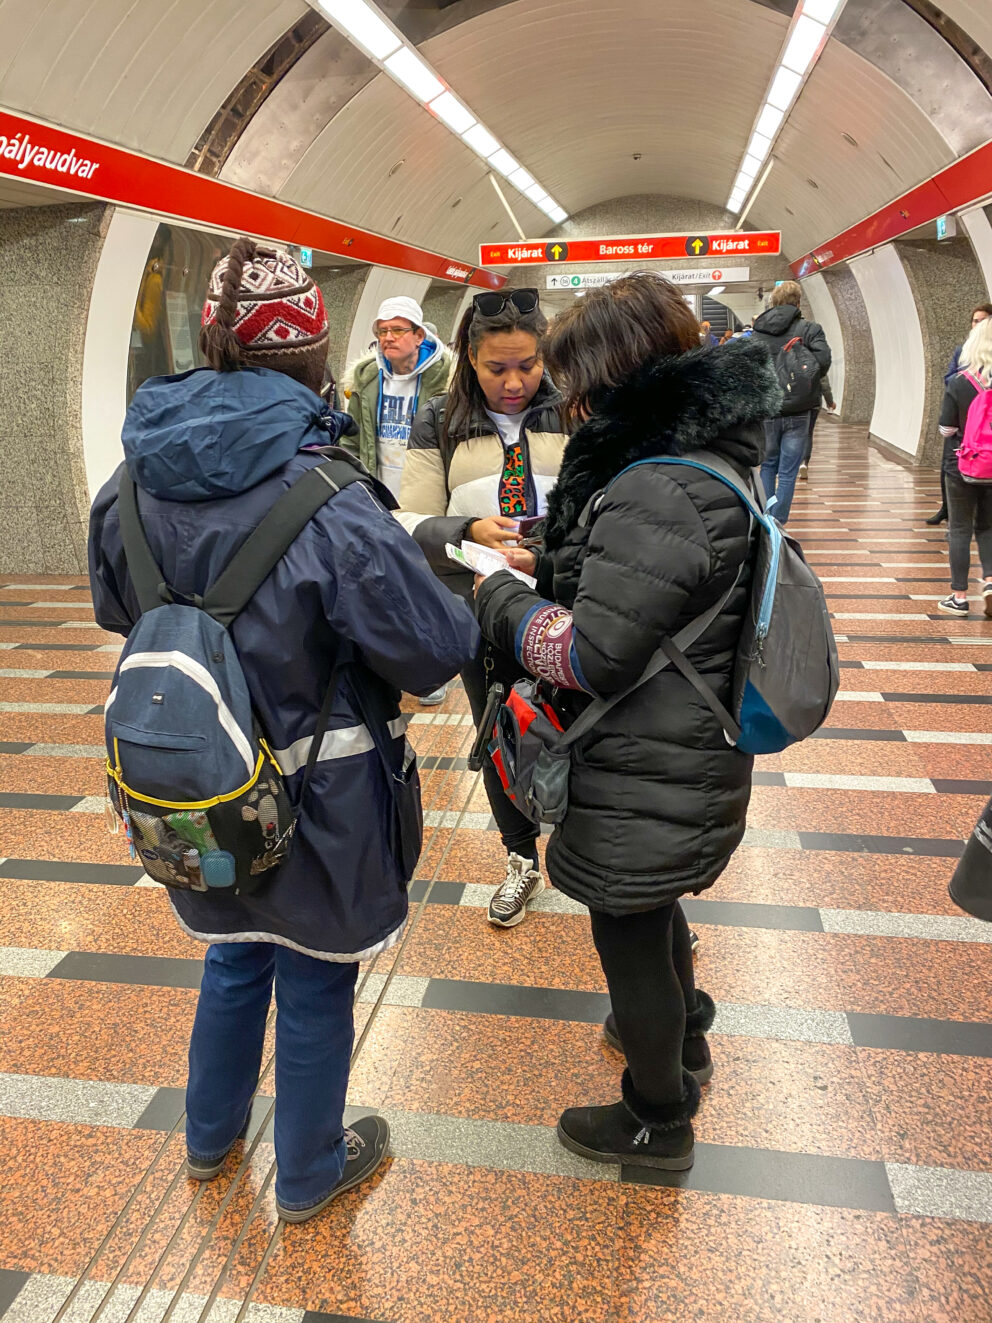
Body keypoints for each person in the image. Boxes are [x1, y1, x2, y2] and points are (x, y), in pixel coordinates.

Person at [88, 239, 479, 1222]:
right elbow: (430, 652)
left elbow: (113, 606)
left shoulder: (128, 482)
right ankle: (307, 1171)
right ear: (314, 357)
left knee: (232, 956)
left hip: (193, 784)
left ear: (210, 342)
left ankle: (208, 1140)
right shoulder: (332, 499)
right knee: (313, 979)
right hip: (324, 791)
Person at [474, 273, 781, 1168]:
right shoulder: (706, 455)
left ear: (612, 376)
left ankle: (657, 1115)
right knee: (652, 903)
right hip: (686, 739)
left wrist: (500, 598)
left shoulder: (656, 490)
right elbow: (647, 595)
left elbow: (588, 655)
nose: (565, 400)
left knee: (626, 917)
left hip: (647, 749)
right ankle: (682, 1033)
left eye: (574, 381)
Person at [397, 287, 568, 926]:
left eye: (528, 364)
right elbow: (405, 520)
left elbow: (604, 506)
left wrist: (548, 547)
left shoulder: (575, 414)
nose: (515, 381)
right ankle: (520, 858)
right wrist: (466, 533)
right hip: (480, 608)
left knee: (587, 726)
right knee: (501, 730)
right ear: (470, 358)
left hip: (567, 602)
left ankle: (592, 860)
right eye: (498, 368)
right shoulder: (438, 422)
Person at [346, 297, 454, 705]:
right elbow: (352, 435)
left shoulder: (447, 377)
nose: (387, 339)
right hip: (379, 493)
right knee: (384, 580)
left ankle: (434, 669)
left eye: (397, 330)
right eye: (381, 331)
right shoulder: (366, 377)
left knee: (429, 581)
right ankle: (389, 664)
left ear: (419, 335)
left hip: (427, 493)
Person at [751, 281, 831, 522]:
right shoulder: (809, 329)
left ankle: (765, 519)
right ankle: (778, 521)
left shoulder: (759, 330)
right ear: (798, 303)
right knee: (788, 471)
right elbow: (823, 361)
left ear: (773, 302)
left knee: (768, 466)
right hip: (799, 408)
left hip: (768, 407)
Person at [936, 315, 992, 617]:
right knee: (988, 526)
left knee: (959, 528)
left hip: (963, 463)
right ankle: (991, 581)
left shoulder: (960, 382)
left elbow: (946, 428)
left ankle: (958, 597)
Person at [928, 303, 992, 524]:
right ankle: (947, 508)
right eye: (974, 320)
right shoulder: (961, 351)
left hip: (984, 421)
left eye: (982, 321)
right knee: (949, 466)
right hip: (961, 417)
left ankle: (973, 517)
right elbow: (949, 377)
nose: (977, 325)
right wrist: (963, 382)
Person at [798, 372, 836, 481]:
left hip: (796, 404)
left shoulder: (791, 358)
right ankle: (804, 462)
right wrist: (830, 402)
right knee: (808, 434)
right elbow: (825, 386)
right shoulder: (818, 362)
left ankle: (789, 462)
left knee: (795, 434)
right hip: (813, 404)